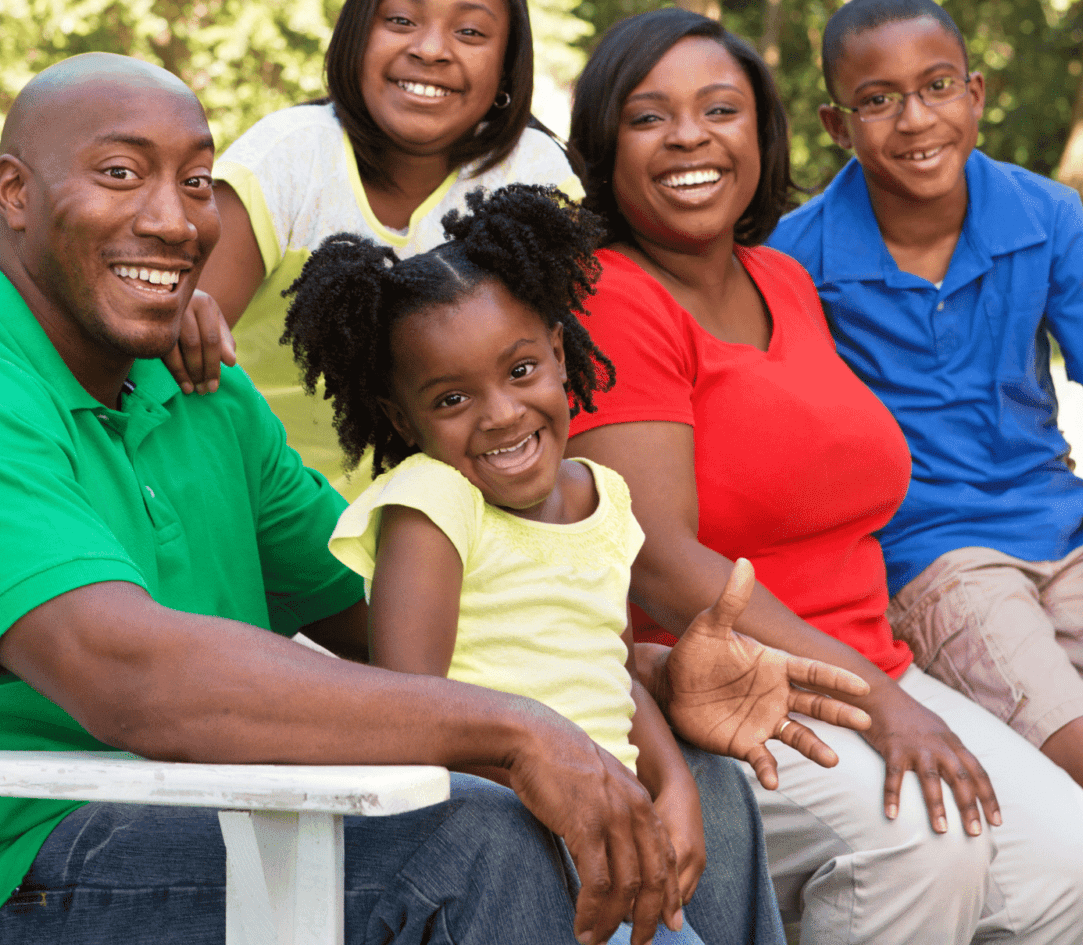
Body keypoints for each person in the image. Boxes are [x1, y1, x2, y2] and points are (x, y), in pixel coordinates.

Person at [0, 52, 857, 945]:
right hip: (10, 868)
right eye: (121, 174)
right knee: (477, 830)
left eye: (199, 181)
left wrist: (640, 678)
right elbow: (131, 678)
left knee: (697, 791)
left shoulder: (194, 391)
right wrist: (519, 734)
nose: (172, 219)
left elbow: (392, 615)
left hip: (214, 804)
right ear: (15, 192)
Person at [562, 7, 1083, 945]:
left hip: (868, 656)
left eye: (720, 109)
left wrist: (886, 687)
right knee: (921, 848)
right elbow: (660, 558)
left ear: (761, 131)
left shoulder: (779, 278)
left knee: (1075, 865)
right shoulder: (613, 296)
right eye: (649, 117)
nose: (691, 136)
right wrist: (884, 702)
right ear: (606, 149)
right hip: (726, 689)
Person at [765, 0, 1083, 945]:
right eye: (876, 99)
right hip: (934, 558)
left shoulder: (1045, 215)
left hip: (1067, 538)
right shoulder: (800, 258)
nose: (915, 118)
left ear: (978, 93)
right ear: (836, 122)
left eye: (938, 85)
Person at [282, 184, 876, 945]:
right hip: (507, 838)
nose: (500, 412)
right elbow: (414, 712)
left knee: (714, 802)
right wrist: (566, 793)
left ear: (560, 356)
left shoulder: (606, 496)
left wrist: (672, 789)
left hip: (615, 826)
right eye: (453, 398)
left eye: (521, 371)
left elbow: (614, 670)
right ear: (403, 420)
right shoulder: (432, 504)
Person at [163, 0, 579, 492]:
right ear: (358, 36)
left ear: (507, 67)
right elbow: (183, 347)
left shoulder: (531, 173)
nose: (431, 48)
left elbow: (557, 375)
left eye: (471, 32)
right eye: (401, 21)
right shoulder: (290, 154)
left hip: (478, 521)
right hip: (274, 510)